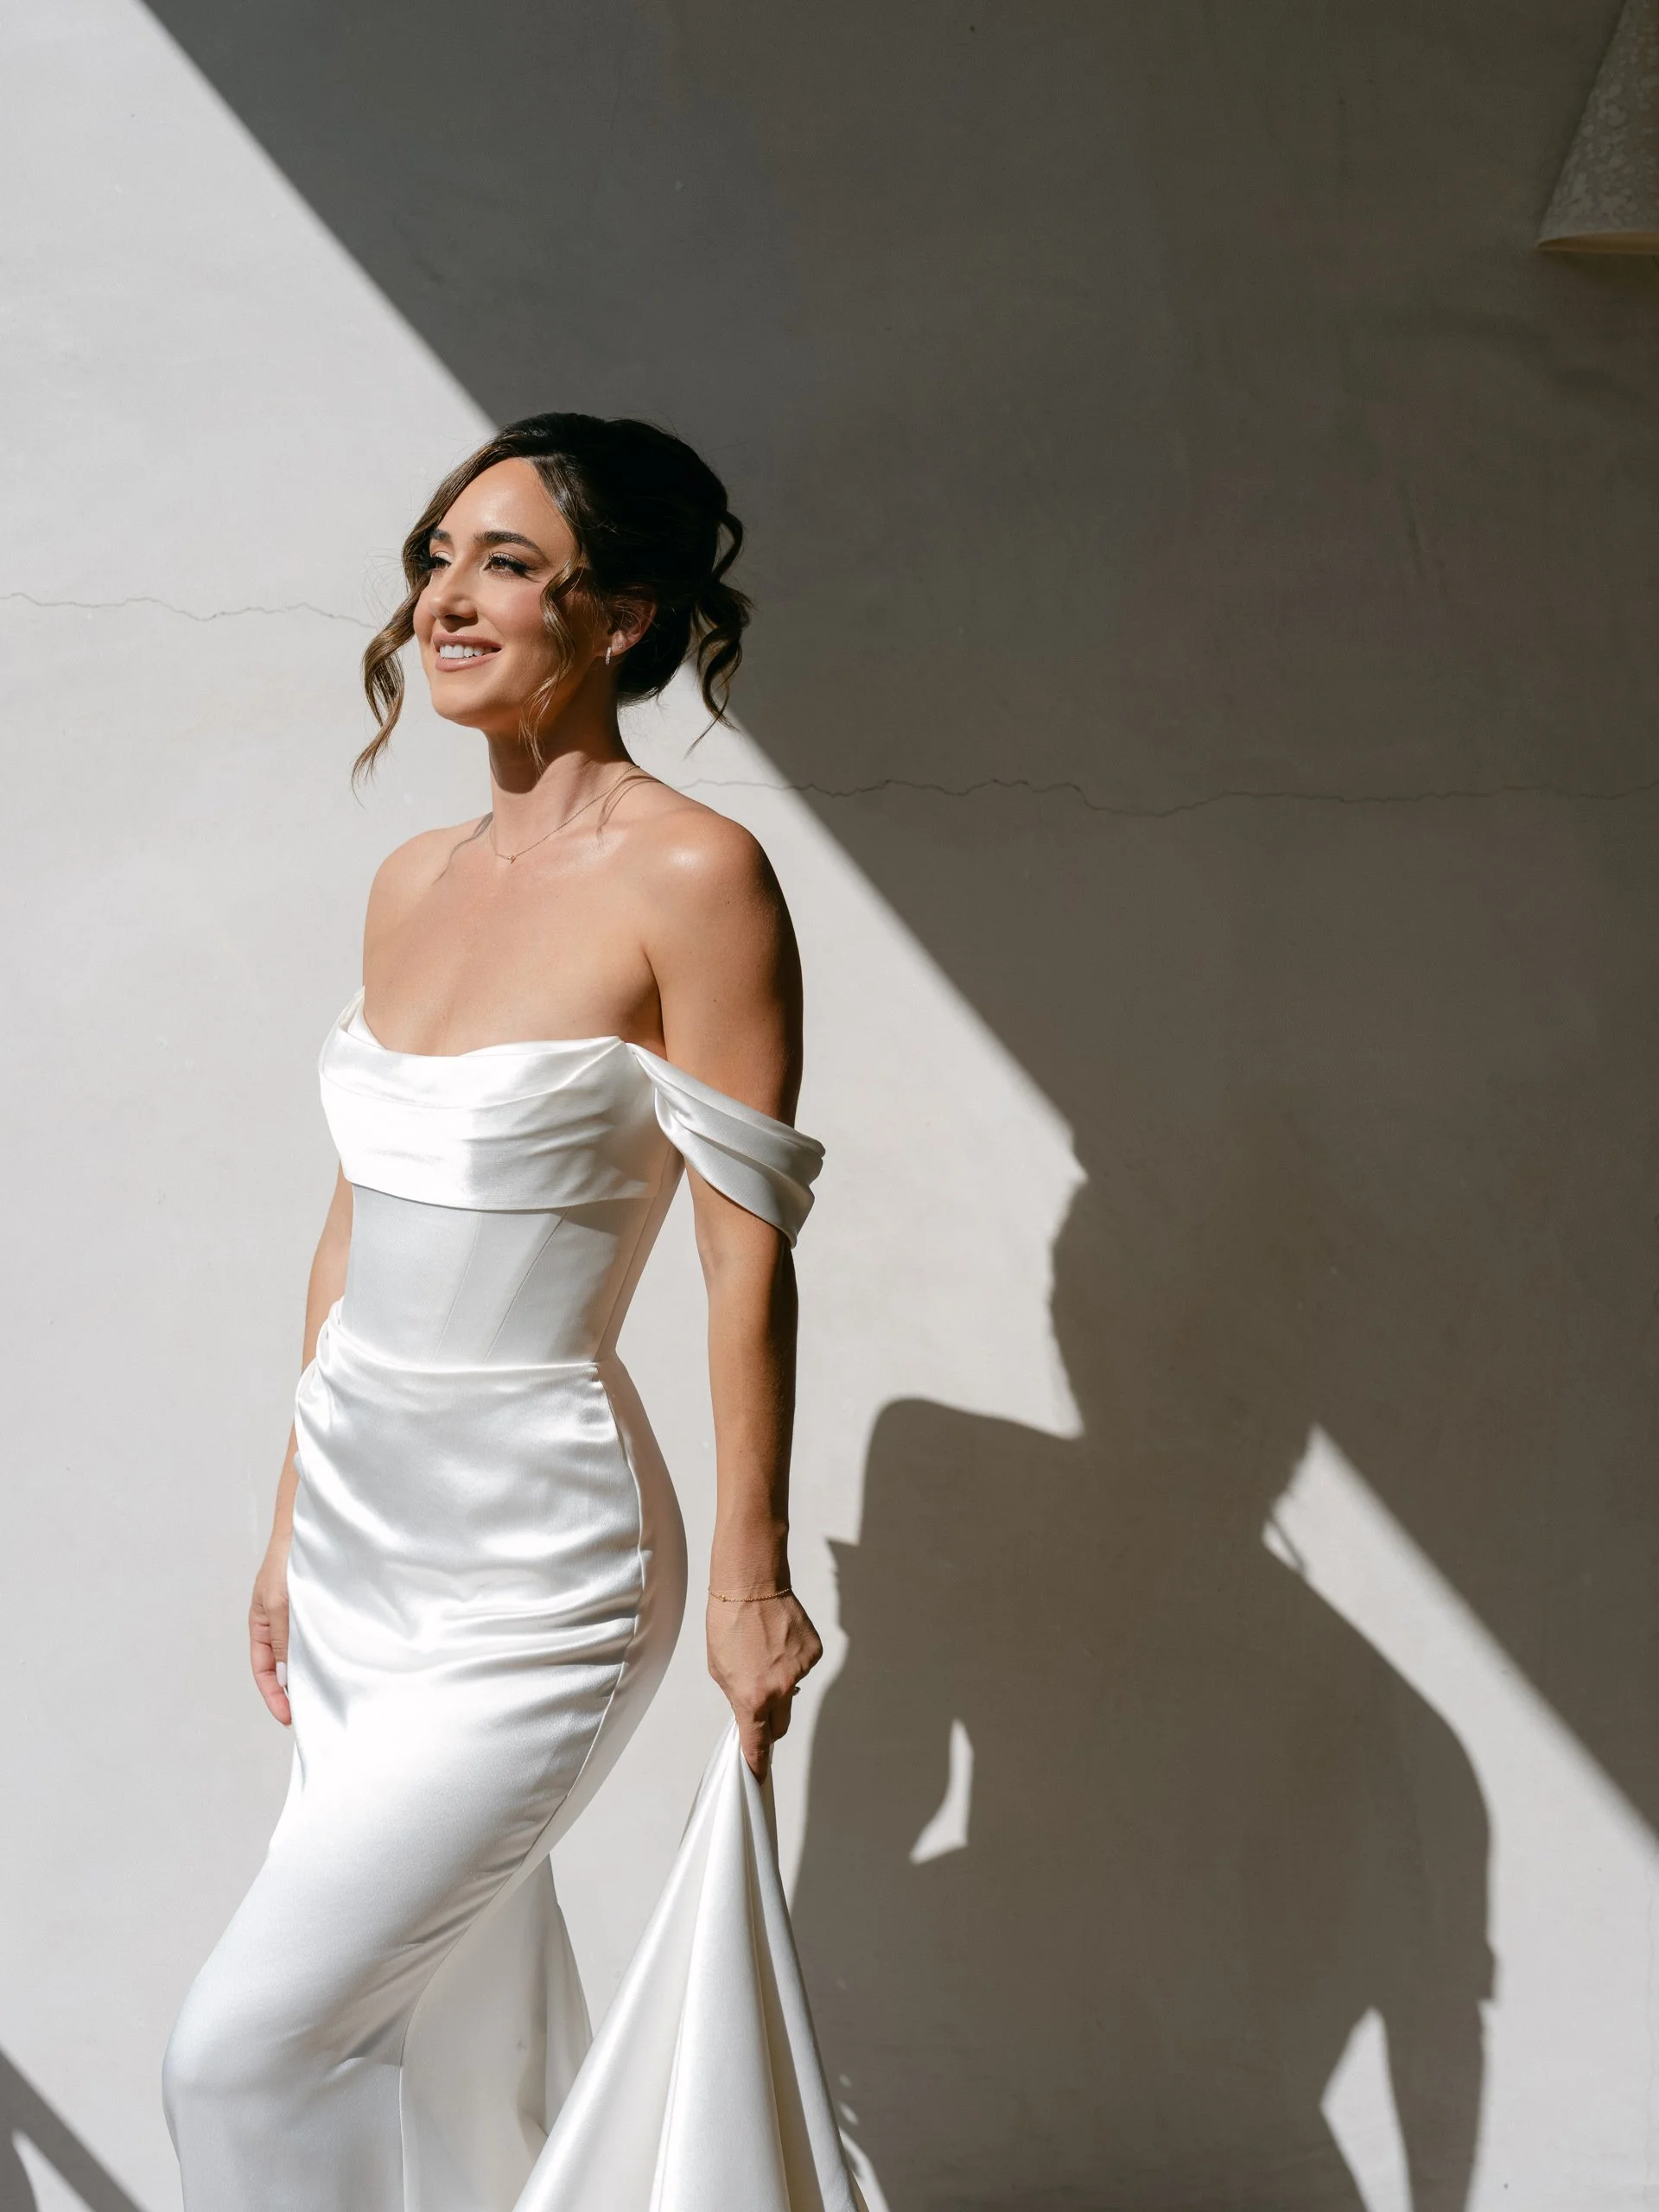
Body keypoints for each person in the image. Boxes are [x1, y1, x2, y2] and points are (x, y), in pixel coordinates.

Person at [162, 414, 861, 2212]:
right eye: (437, 557)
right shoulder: (411, 879)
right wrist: (289, 1517)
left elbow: (743, 1253)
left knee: (246, 2052)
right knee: (453, 2047)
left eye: (507, 563)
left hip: (541, 1556)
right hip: (359, 1535)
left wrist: (752, 1579)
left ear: (620, 615)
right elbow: (355, 1215)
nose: (447, 599)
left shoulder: (697, 875)